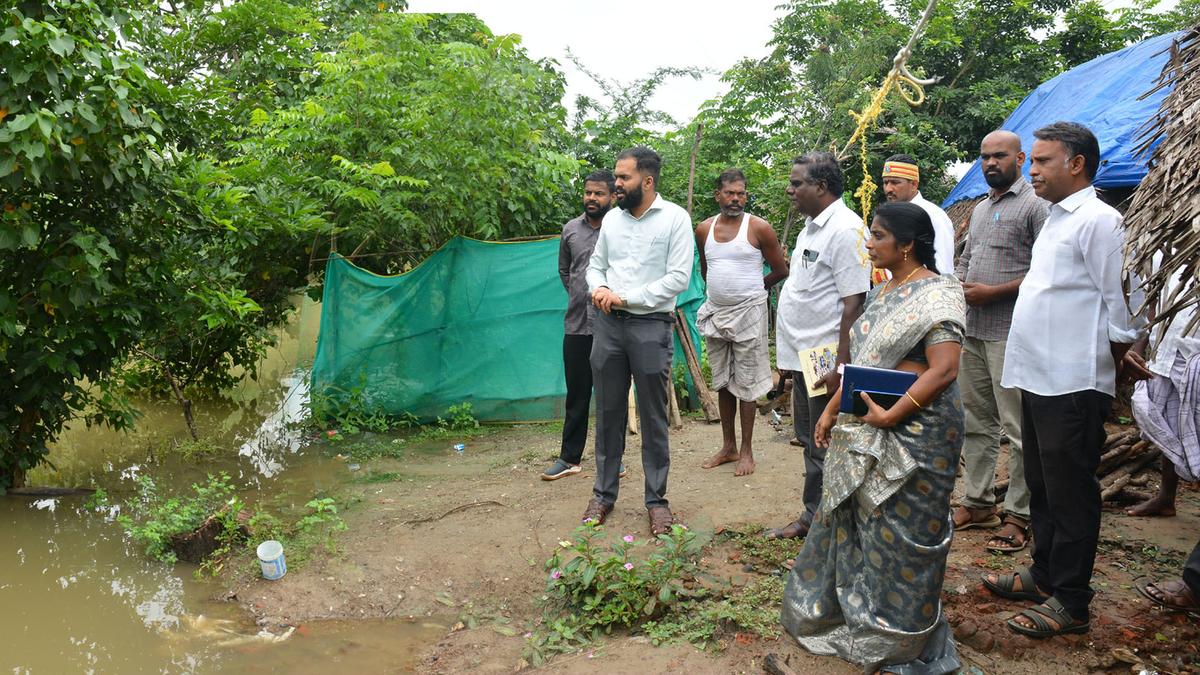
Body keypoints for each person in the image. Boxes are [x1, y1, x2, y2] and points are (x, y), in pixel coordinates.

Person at [781, 200, 966, 674]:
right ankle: (865, 617)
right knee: (866, 524)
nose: (868, 243)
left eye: (878, 235)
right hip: (868, 421)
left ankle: (902, 634)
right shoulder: (882, 291)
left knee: (907, 534)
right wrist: (831, 408)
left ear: (906, 244)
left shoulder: (940, 293)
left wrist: (891, 417)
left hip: (920, 432)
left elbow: (944, 369)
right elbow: (863, 364)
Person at [985, 121, 1145, 638]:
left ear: (1076, 164)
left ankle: (1072, 601)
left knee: (1071, 493)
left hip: (1073, 380)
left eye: (1041, 161)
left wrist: (1112, 361)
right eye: (1031, 161)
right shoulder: (1056, 217)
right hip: (1038, 375)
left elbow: (1125, 303)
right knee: (1043, 485)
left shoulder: (1100, 221)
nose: (1031, 170)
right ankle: (1045, 575)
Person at [583, 146, 694, 535]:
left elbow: (678, 279)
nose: (615, 183)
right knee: (609, 413)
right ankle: (603, 495)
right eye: (616, 176)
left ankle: (657, 502)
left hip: (651, 327)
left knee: (652, 417)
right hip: (609, 327)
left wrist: (625, 298)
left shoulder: (675, 219)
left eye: (623, 177)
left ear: (646, 181)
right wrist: (599, 289)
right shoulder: (612, 220)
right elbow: (596, 266)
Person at [952, 130, 1048, 553]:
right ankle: (977, 502)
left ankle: (1019, 514)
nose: (991, 163)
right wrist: (957, 285)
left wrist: (994, 292)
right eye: (985, 156)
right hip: (973, 330)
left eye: (999, 156)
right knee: (976, 422)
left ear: (1021, 158)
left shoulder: (1036, 205)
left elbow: (1046, 271)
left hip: (1012, 333)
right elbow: (965, 259)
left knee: (1018, 428)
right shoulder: (980, 207)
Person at [767, 152, 869, 540]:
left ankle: (830, 523)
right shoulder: (811, 228)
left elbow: (854, 303)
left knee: (826, 441)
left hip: (825, 359)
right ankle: (815, 516)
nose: (789, 190)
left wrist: (840, 367)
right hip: (804, 356)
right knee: (811, 438)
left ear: (821, 187)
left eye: (797, 183)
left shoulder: (845, 230)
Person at [695, 168, 789, 476]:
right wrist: (722, 293)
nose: (735, 198)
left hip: (749, 312)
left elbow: (780, 270)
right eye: (730, 193)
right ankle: (728, 447)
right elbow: (707, 270)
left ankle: (747, 450)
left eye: (741, 194)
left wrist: (754, 288)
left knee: (747, 384)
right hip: (717, 313)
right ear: (718, 195)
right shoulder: (704, 229)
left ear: (746, 196)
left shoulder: (759, 227)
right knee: (723, 381)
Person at [542, 171, 627, 481]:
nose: (592, 198)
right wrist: (583, 296)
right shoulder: (570, 230)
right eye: (588, 192)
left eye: (599, 193)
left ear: (612, 196)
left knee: (612, 397)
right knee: (577, 395)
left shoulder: (622, 228)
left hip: (613, 325)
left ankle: (614, 459)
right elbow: (566, 272)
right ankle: (569, 458)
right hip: (577, 326)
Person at [1123, 263, 1200, 516]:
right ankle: (1166, 498)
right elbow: (1153, 304)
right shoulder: (1165, 253)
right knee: (1168, 423)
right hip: (1165, 352)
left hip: (1195, 355)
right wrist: (1138, 349)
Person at [881, 154, 956, 276]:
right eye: (885, 182)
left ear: (914, 184)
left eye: (895, 182)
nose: (888, 189)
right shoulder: (886, 217)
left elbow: (942, 270)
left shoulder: (934, 216)